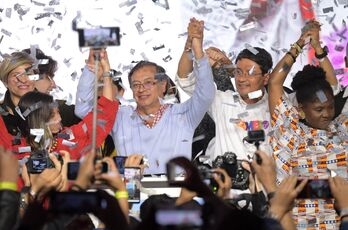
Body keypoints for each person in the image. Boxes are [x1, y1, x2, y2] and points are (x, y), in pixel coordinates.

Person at [75, 18, 216, 174]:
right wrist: (91, 69)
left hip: (174, 193)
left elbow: (206, 94)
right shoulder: (120, 117)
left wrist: (197, 50)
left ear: (163, 85)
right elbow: (82, 108)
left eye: (148, 82)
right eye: (136, 85)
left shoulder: (183, 114)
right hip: (132, 193)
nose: (141, 89)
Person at [268, 19, 347, 229]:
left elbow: (331, 86)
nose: (327, 114)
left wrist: (319, 49)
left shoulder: (343, 127)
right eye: (319, 109)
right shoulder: (291, 134)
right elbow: (275, 83)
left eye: (330, 107)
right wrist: (300, 43)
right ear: (301, 109)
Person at [177, 18, 274, 164]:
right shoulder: (223, 101)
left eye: (250, 73)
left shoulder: (277, 106)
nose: (241, 79)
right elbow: (185, 79)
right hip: (225, 185)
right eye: (239, 72)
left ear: (266, 78)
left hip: (265, 185)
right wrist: (190, 44)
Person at [22, 47, 82, 127]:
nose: (53, 85)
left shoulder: (59, 110)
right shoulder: (6, 121)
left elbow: (89, 115)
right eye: (48, 77)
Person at [0, 51, 36, 136]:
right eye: (16, 75)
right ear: (5, 81)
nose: (23, 80)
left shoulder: (51, 110)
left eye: (28, 74)